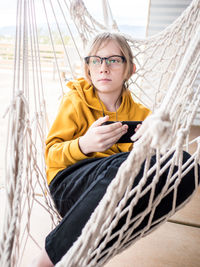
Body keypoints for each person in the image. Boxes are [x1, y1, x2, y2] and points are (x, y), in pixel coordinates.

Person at [31, 32, 200, 267]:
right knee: (123, 165)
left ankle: (99, 244)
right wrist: (84, 145)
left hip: (119, 201)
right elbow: (51, 154)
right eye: (96, 60)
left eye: (113, 60)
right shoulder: (75, 101)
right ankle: (45, 261)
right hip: (70, 187)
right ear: (88, 69)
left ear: (130, 69)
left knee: (186, 164)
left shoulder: (142, 115)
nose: (104, 67)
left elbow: (154, 167)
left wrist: (153, 144)